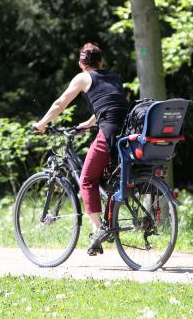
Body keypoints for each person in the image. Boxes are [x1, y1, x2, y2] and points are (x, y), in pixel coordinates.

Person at [33, 42, 128, 255]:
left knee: (86, 179)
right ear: (101, 62)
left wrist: (42, 124)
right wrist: (91, 121)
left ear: (80, 64)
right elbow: (114, 103)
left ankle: (97, 231)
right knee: (107, 177)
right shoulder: (113, 78)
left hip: (109, 133)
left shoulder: (83, 77)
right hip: (127, 132)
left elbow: (60, 103)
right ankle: (106, 222)